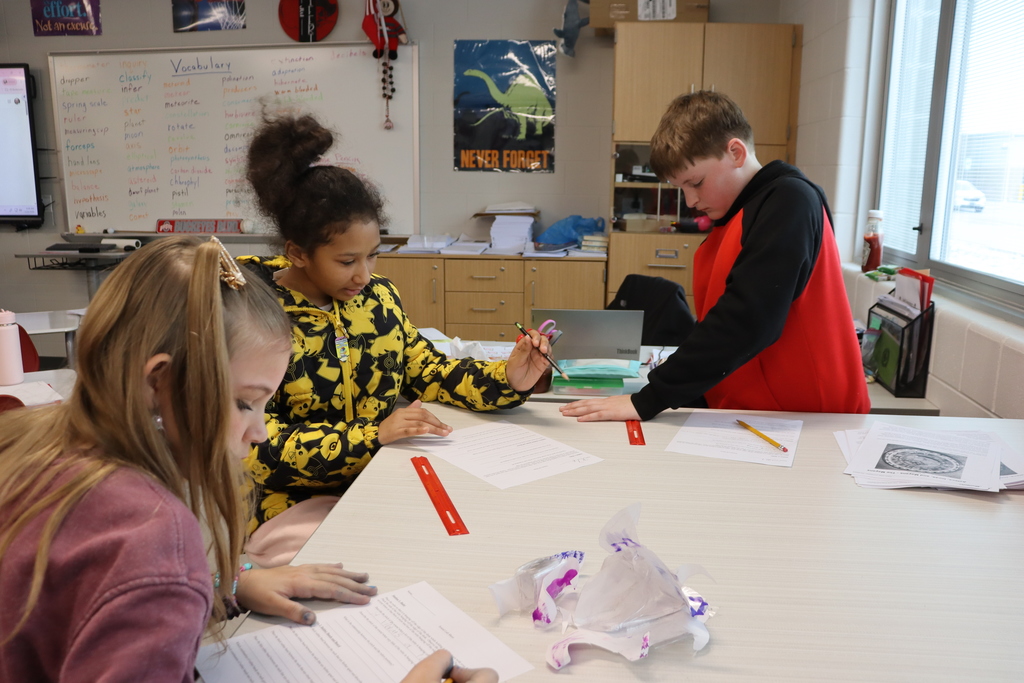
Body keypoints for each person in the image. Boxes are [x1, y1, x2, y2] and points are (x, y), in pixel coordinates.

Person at [0, 237, 495, 683]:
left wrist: (229, 580)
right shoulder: (152, 537)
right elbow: (137, 574)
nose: (259, 432)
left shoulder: (30, 436)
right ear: (158, 382)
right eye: (244, 403)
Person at [239, 111, 550, 562]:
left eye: (373, 256)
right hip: (291, 506)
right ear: (298, 253)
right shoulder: (256, 318)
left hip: (384, 481)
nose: (364, 275)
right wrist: (373, 436)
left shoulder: (380, 300)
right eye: (347, 262)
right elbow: (256, 446)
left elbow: (429, 371)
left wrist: (509, 378)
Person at [561, 91, 869, 422]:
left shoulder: (789, 201)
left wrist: (648, 399)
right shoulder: (741, 212)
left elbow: (746, 320)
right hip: (756, 409)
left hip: (809, 418)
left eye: (696, 183)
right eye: (681, 188)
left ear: (735, 152)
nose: (690, 201)